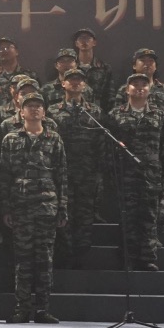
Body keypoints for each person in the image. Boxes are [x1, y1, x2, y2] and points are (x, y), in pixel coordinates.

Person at [0, 93, 67, 322]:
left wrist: (62, 207)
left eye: (38, 106)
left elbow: (62, 175)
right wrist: (6, 208)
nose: (34, 109)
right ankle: (22, 308)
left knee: (45, 260)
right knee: (23, 260)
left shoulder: (54, 138)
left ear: (44, 113)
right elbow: (4, 176)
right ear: (21, 112)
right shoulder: (10, 139)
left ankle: (42, 309)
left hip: (46, 206)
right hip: (21, 206)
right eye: (29, 106)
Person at [108, 72, 164, 271]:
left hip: (151, 173)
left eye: (143, 85)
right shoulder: (115, 115)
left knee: (149, 216)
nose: (139, 88)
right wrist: (111, 172)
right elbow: (107, 148)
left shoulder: (159, 115)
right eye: (135, 85)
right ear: (127, 90)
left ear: (149, 90)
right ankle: (127, 258)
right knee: (127, 217)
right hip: (125, 172)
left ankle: (147, 258)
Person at [48, 67, 105, 269]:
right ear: (63, 84)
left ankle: (81, 258)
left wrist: (99, 172)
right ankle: (64, 257)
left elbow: (100, 144)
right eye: (70, 79)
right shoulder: (52, 111)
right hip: (62, 171)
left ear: (84, 85)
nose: (75, 83)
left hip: (87, 172)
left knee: (84, 215)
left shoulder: (95, 111)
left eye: (79, 80)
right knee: (63, 214)